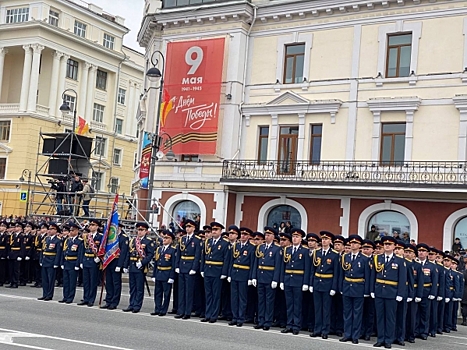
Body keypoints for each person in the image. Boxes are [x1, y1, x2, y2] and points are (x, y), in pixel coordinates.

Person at [371, 236, 407, 349]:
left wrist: (400, 294)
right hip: (379, 291)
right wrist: (372, 290)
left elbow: (402, 279)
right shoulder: (377, 258)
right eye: (385, 244)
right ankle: (380, 339)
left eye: (389, 244)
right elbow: (373, 276)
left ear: (394, 246)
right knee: (380, 316)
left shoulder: (400, 261)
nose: (387, 246)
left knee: (390, 317)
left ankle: (388, 340)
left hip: (392, 292)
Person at [339, 235, 370, 345]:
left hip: (359, 287)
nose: (353, 245)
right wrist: (341, 287)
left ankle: (355, 335)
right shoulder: (345, 257)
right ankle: (347, 334)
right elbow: (342, 274)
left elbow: (367, 276)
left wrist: (366, 291)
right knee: (347, 312)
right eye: (351, 243)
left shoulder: (365, 259)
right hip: (347, 285)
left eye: (356, 243)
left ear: (360, 245)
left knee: (357, 313)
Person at [280, 228, 310, 335]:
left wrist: (306, 283)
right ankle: (289, 324)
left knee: (297, 304)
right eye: (293, 237)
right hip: (288, 279)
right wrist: (282, 280)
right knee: (289, 304)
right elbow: (283, 266)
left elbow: (307, 268)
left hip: (298, 280)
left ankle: (296, 325)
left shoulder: (305, 251)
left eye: (297, 237)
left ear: (301, 239)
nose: (294, 238)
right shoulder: (287, 250)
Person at [310, 231, 339, 339]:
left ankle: (325, 330)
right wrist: (311, 283)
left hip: (328, 283)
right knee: (317, 308)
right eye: (322, 239)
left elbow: (336, 273)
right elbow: (313, 270)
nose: (324, 241)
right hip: (317, 282)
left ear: (330, 241)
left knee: (326, 309)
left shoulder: (334, 255)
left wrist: (333, 287)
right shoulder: (316, 252)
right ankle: (317, 329)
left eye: (326, 239)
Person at [200, 221, 230, 323]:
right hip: (208, 270)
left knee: (216, 294)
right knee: (208, 294)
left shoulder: (225, 243)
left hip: (217, 271)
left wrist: (224, 272)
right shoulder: (207, 242)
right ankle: (208, 314)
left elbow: (226, 259)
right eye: (213, 230)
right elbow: (203, 257)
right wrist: (202, 269)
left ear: (221, 231)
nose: (214, 231)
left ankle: (214, 315)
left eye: (216, 230)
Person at [252, 226, 281, 331]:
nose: (267, 236)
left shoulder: (277, 249)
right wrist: (254, 276)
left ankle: (267, 321)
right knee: (261, 300)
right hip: (260, 277)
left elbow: (278, 266)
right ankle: (260, 320)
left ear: (273, 237)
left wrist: (275, 279)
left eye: (269, 235)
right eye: (266, 235)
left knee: (269, 301)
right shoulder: (261, 247)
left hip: (269, 277)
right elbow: (256, 262)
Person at [123, 222, 155, 313]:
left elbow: (150, 255)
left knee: (139, 288)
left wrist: (142, 262)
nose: (139, 232)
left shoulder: (148, 241)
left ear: (146, 231)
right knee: (132, 287)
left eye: (142, 230)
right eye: (138, 230)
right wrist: (126, 265)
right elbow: (128, 254)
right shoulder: (133, 240)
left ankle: (137, 305)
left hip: (140, 267)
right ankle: (131, 304)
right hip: (132, 265)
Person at [228, 226, 255, 327]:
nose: (243, 236)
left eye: (245, 235)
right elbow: (231, 261)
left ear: (248, 236)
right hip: (235, 273)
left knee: (242, 298)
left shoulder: (252, 248)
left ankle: (241, 318)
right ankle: (234, 317)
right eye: (242, 234)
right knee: (234, 297)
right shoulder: (236, 246)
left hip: (244, 274)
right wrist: (230, 274)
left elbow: (252, 264)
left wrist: (250, 277)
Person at [175, 219, 201, 319]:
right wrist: (177, 266)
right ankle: (180, 311)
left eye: (189, 227)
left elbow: (197, 255)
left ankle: (187, 311)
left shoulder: (197, 240)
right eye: (186, 227)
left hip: (190, 267)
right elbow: (179, 254)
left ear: (194, 228)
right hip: (182, 266)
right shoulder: (182, 239)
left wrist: (194, 268)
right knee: (181, 290)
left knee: (189, 291)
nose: (187, 228)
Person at [101, 223, 129, 310]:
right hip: (109, 261)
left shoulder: (124, 238)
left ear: (120, 228)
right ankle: (108, 300)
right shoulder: (110, 237)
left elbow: (124, 253)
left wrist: (120, 265)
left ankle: (114, 302)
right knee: (108, 282)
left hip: (117, 262)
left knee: (116, 284)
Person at [415, 243, 438, 340]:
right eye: (419, 251)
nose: (421, 253)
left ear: (427, 253)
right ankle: (415, 331)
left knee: (425, 313)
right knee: (415, 313)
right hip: (415, 290)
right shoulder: (414, 263)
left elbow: (435, 280)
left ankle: (424, 331)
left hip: (426, 291)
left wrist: (433, 293)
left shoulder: (432, 266)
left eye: (423, 251)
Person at [151, 230, 177, 316]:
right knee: (157, 293)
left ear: (171, 240)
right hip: (159, 273)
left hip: (167, 273)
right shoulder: (159, 249)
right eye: (164, 238)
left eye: (167, 238)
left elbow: (173, 264)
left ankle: (163, 309)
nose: (164, 239)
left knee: (166, 294)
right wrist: (154, 274)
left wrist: (172, 277)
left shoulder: (173, 250)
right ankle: (157, 308)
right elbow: (156, 263)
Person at [78, 220, 102, 307]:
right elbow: (82, 250)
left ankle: (91, 299)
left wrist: (99, 258)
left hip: (94, 260)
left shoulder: (100, 237)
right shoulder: (87, 236)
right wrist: (81, 261)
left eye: (93, 225)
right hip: (86, 259)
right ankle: (86, 298)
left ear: (97, 227)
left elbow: (102, 249)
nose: (91, 226)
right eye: (90, 225)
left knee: (93, 281)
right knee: (86, 281)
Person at [38, 222, 62, 301]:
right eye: (49, 229)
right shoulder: (46, 239)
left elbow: (58, 253)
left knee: (50, 279)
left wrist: (56, 263)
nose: (50, 231)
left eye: (52, 229)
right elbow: (42, 250)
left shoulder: (58, 240)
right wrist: (41, 260)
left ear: (56, 230)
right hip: (45, 260)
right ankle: (45, 294)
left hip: (52, 261)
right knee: (44, 279)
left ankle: (49, 295)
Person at [59, 223, 82, 304]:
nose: (71, 232)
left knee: (72, 282)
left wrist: (77, 264)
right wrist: (62, 262)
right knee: (66, 281)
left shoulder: (79, 241)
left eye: (73, 230)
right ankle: (65, 296)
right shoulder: (68, 240)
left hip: (73, 262)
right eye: (70, 230)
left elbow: (79, 254)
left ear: (77, 231)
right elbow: (64, 252)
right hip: (66, 262)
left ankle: (70, 297)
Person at [6, 222, 25, 288]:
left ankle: (15, 282)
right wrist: (8, 254)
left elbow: (23, 247)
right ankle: (11, 282)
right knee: (11, 269)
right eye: (15, 227)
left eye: (17, 227)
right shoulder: (13, 236)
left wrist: (20, 255)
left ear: (20, 228)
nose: (15, 228)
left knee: (16, 270)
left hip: (17, 254)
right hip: (12, 254)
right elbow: (9, 246)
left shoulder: (22, 236)